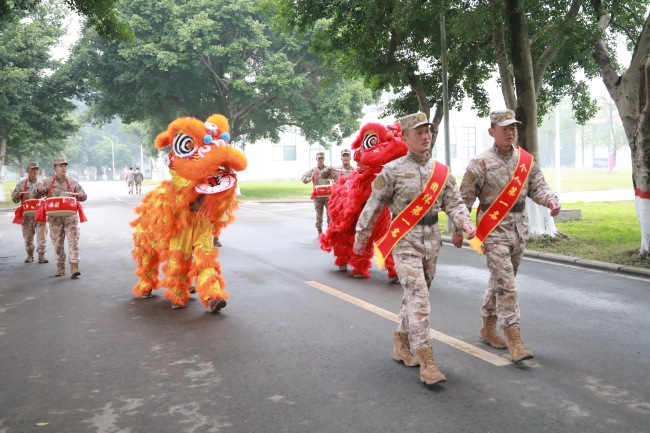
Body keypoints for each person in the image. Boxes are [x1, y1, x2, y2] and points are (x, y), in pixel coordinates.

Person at [353, 112, 476, 385]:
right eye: (418, 132)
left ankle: (401, 340)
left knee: (415, 295)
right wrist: (361, 237)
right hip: (404, 240)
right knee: (420, 299)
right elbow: (374, 204)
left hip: (432, 240)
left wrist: (465, 224)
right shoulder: (393, 170)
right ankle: (427, 360)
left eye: (428, 131)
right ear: (406, 137)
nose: (425, 136)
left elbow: (454, 203)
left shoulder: (441, 172)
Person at [452, 109, 561, 363]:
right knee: (507, 284)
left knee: (500, 281)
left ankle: (487, 327)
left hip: (519, 230)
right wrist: (458, 231)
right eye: (505, 128)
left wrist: (551, 200)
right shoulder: (479, 163)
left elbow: (537, 186)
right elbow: (463, 199)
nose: (510, 132)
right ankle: (514, 338)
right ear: (492, 132)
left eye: (513, 128)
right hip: (493, 232)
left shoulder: (525, 160)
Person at [33, 157, 88, 278]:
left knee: (74, 242)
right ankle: (60, 266)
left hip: (70, 217)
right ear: (55, 168)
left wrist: (82, 195)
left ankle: (74, 267)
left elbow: (83, 196)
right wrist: (38, 189)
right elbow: (35, 195)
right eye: (60, 165)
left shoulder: (73, 181)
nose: (64, 167)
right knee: (57, 244)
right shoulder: (47, 182)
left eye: (65, 165)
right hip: (54, 218)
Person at [11, 162, 49, 264]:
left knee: (42, 236)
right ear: (27, 171)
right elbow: (14, 199)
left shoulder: (42, 184)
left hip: (39, 213)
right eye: (32, 169)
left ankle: (42, 256)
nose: (35, 171)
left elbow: (48, 196)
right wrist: (16, 196)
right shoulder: (21, 184)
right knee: (28, 237)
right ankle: (29, 255)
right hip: (26, 215)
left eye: (36, 169)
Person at [301, 151, 332, 235]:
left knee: (330, 214)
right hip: (317, 197)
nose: (321, 160)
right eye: (319, 158)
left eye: (322, 158)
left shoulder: (328, 169)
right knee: (319, 214)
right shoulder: (313, 170)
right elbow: (303, 177)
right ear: (316, 159)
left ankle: (329, 232)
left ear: (324, 159)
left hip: (327, 196)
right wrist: (307, 180)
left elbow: (335, 176)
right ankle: (319, 231)